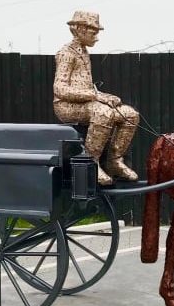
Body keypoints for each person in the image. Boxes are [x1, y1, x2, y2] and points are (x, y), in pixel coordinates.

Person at [53, 11, 139, 185]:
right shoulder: (66, 53)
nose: (97, 37)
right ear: (80, 30)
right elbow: (59, 89)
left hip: (85, 103)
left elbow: (85, 88)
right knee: (103, 113)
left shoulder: (84, 53)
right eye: (94, 33)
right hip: (66, 106)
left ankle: (114, 161)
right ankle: (91, 163)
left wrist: (104, 96)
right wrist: (96, 96)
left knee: (130, 114)